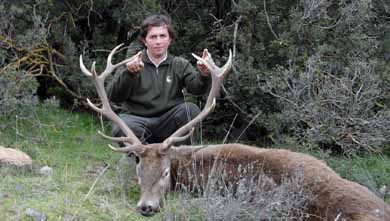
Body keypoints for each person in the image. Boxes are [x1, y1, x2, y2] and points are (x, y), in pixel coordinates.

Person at [107, 14, 210, 145]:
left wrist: (204, 74)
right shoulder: (131, 64)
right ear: (145, 40)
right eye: (153, 37)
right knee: (122, 127)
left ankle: (181, 160)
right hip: (138, 120)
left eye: (162, 36)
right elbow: (114, 96)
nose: (158, 41)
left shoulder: (179, 64)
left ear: (170, 39)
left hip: (168, 123)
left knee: (190, 110)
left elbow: (197, 89)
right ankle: (140, 159)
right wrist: (129, 74)